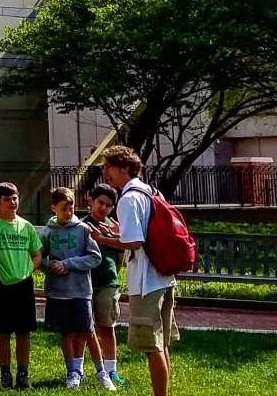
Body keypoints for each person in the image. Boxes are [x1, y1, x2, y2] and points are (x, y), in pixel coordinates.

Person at [90, 147, 178, 396]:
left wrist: (103, 239)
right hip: (163, 275)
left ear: (125, 168)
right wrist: (119, 234)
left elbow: (135, 242)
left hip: (145, 280)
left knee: (152, 346)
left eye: (110, 166)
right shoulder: (150, 191)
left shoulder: (128, 198)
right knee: (160, 342)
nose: (106, 172)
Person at [0, 182, 42, 390]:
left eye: (15, 198)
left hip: (24, 285)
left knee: (24, 331)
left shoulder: (26, 226)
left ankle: (23, 374)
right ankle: (5, 374)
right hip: (1, 286)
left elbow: (37, 254)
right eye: (7, 199)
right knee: (3, 332)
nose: (13, 202)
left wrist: (29, 269)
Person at [41, 187, 103, 390]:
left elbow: (95, 257)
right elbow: (39, 259)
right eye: (63, 208)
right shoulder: (47, 232)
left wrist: (69, 264)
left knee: (87, 330)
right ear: (53, 208)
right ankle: (72, 372)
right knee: (65, 332)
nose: (68, 212)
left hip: (80, 290)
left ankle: (102, 372)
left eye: (71, 207)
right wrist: (51, 265)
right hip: (57, 291)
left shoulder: (83, 230)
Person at [84, 184, 126, 388]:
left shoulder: (114, 227)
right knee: (84, 327)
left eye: (109, 205)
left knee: (107, 326)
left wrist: (112, 275)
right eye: (100, 202)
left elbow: (120, 257)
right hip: (83, 283)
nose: (104, 208)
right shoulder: (81, 226)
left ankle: (111, 370)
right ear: (90, 201)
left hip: (107, 283)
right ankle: (79, 368)